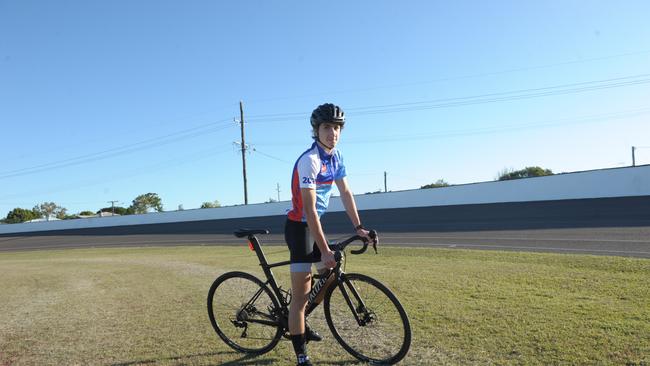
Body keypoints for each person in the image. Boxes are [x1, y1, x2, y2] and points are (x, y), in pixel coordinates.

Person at [285, 103, 373, 366]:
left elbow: (345, 193)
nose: (332, 132)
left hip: (314, 225)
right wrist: (323, 250)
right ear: (316, 130)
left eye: (336, 128)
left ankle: (302, 320)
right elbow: (310, 211)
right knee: (300, 298)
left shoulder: (337, 158)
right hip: (299, 227)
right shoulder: (309, 161)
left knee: (333, 269)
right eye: (326, 127)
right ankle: (301, 354)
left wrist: (359, 227)